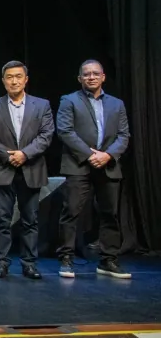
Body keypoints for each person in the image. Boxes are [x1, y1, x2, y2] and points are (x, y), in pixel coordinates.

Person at [56, 59, 131, 279]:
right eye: (86, 74)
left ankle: (108, 260)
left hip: (108, 165)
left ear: (103, 77)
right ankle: (66, 259)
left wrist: (107, 155)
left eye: (95, 74)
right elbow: (65, 131)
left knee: (110, 214)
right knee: (71, 212)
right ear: (80, 78)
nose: (91, 77)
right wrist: (91, 155)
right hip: (78, 165)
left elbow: (124, 135)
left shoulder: (117, 104)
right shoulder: (69, 100)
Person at [0, 61, 54, 279]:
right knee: (2, 220)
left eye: (18, 76)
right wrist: (8, 155)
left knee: (30, 220)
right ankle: (2, 262)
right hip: (3, 168)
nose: (14, 81)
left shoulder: (42, 105)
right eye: (9, 77)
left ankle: (29, 263)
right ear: (3, 81)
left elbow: (46, 135)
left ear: (26, 80)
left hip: (31, 168)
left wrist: (24, 154)